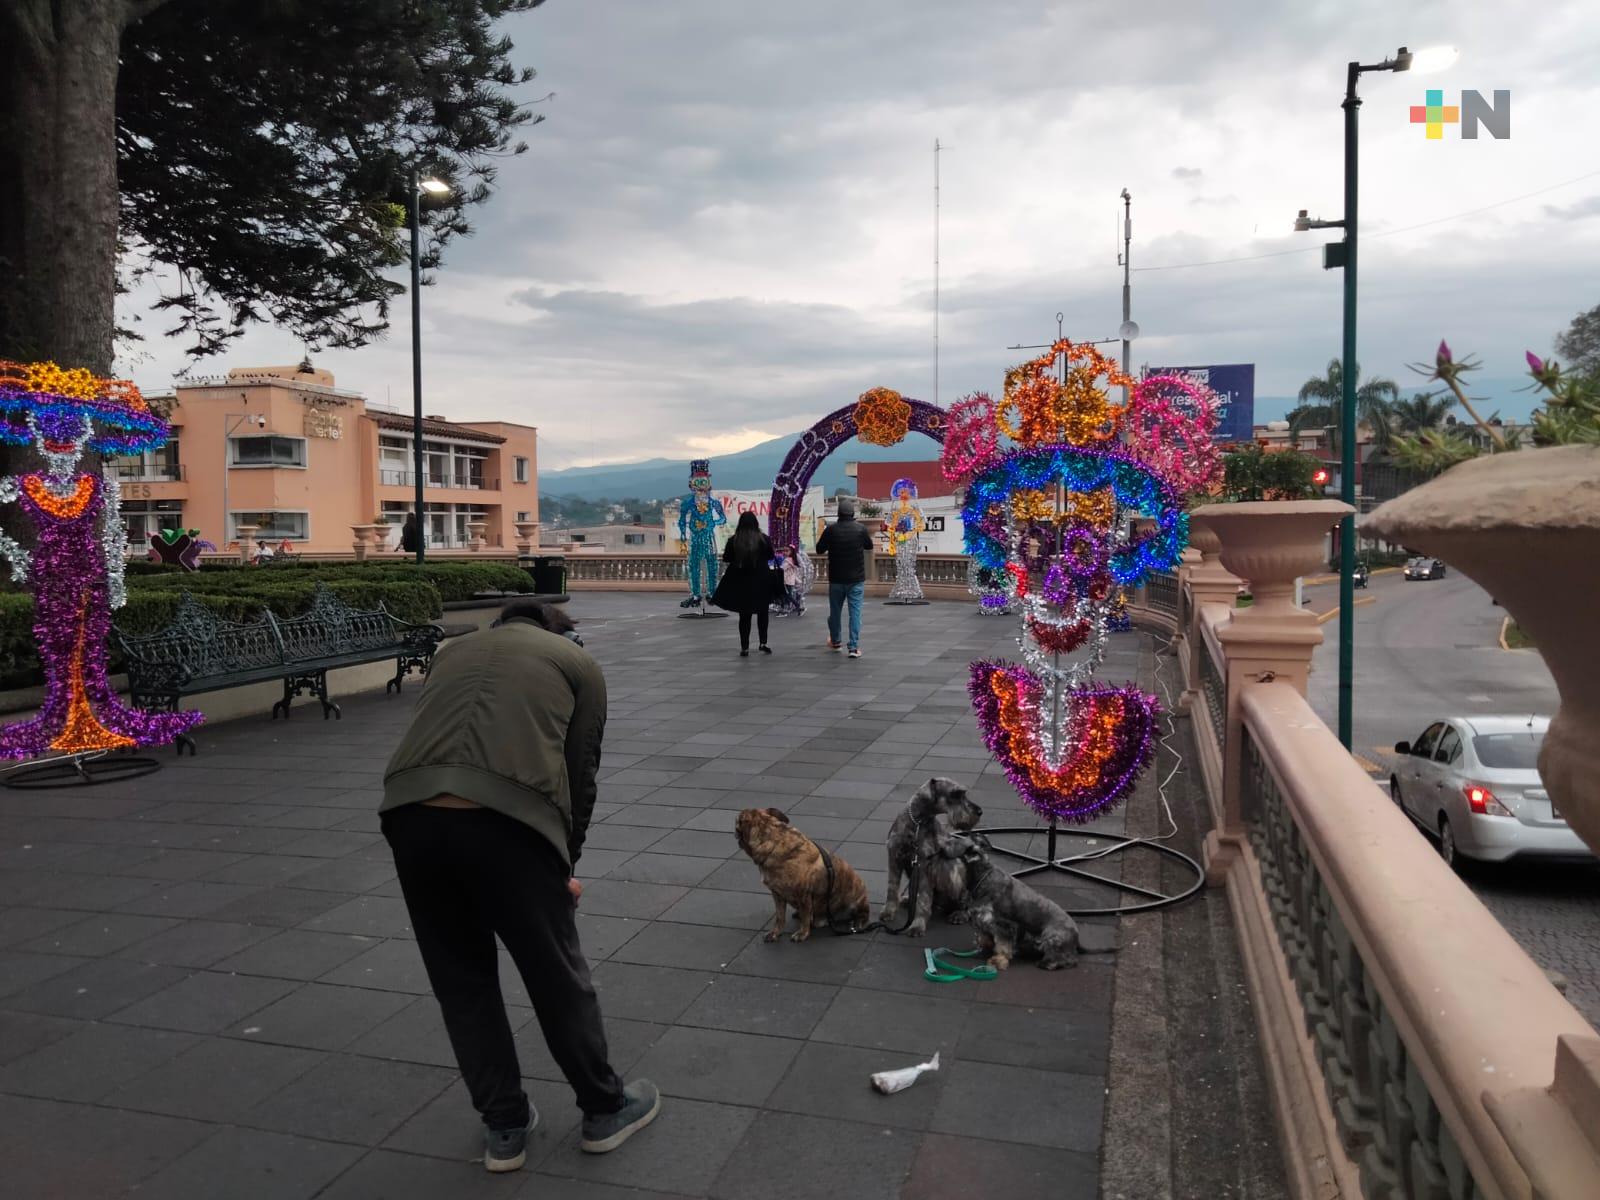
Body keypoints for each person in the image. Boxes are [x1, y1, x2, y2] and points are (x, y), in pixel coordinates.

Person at [381, 599, 659, 1173]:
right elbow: (581, 775)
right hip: (510, 820)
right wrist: (565, 868)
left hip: (409, 814)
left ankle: (504, 1126)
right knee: (554, 972)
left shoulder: (452, 651)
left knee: (461, 981)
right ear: (559, 630)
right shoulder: (574, 662)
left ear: (500, 623)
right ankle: (604, 1109)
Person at [710, 511, 776, 656]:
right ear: (756, 523)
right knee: (762, 612)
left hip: (742, 582)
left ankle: (744, 647)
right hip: (762, 581)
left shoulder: (734, 540)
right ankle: (763, 643)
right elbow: (771, 556)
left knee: (744, 615)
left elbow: (727, 558)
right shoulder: (764, 539)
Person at [817, 498, 874, 658]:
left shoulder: (831, 530)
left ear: (839, 513)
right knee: (855, 613)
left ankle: (835, 641)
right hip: (856, 579)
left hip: (836, 578)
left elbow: (819, 549)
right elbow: (869, 546)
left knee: (835, 612)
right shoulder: (860, 529)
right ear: (852, 513)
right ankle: (854, 647)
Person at [780, 543, 807, 616]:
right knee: (787, 595)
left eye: (786, 551)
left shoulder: (788, 560)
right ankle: (789, 608)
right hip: (790, 580)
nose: (784, 552)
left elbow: (782, 569)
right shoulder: (793, 559)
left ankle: (797, 606)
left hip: (787, 580)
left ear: (791, 552)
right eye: (784, 551)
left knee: (787, 595)